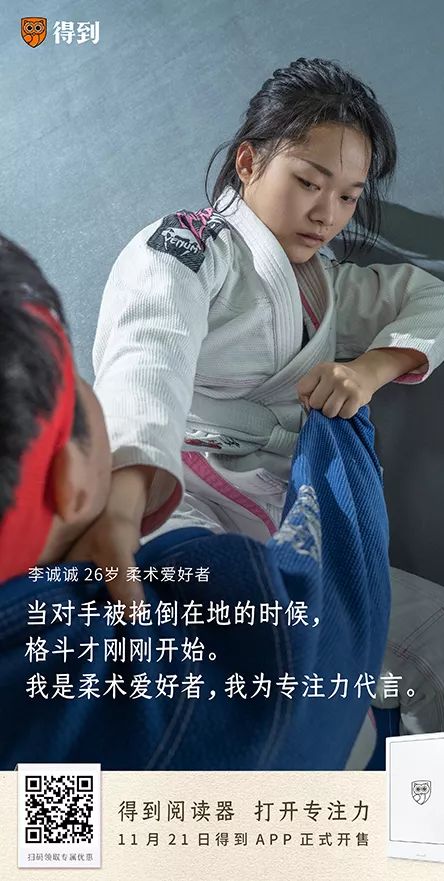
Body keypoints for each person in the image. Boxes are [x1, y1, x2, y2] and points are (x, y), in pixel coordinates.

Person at [83, 58, 444, 764]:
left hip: (288, 513)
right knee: (273, 677)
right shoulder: (188, 249)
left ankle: (421, 818)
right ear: (248, 162)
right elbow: (148, 354)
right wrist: (119, 508)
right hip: (181, 505)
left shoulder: (330, 284)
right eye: (308, 182)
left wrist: (367, 370)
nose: (327, 213)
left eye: (349, 196)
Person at [0, 233, 392, 771]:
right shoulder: (235, 634)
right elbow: (336, 597)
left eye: (347, 196)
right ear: (68, 479)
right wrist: (341, 413)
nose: (326, 212)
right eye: (78, 386)